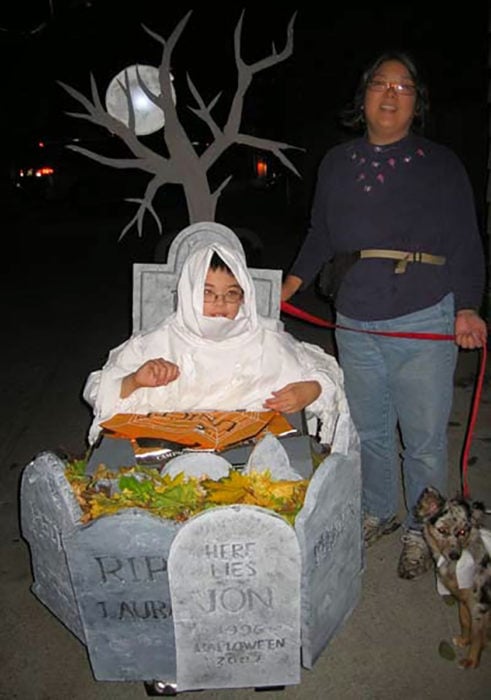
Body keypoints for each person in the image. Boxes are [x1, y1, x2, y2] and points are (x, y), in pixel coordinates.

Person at [281, 50, 487, 580]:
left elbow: (466, 240)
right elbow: (320, 236)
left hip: (422, 316)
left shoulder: (440, 164)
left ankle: (423, 530)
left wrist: (467, 307)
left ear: (416, 103)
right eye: (380, 84)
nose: (391, 93)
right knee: (369, 430)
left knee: (421, 440)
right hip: (354, 319)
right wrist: (286, 285)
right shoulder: (337, 163)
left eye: (403, 87)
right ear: (364, 96)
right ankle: (380, 510)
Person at [84, 234, 352, 458]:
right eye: (207, 293)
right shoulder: (158, 342)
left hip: (252, 464)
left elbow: (324, 374)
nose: (220, 304)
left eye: (231, 294)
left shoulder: (264, 340)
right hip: (168, 461)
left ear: (243, 295)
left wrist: (312, 390)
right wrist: (134, 381)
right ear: (189, 293)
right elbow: (100, 391)